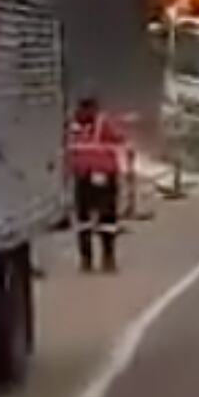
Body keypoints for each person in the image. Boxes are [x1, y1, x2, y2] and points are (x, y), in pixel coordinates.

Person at [65, 96, 127, 273]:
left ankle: (102, 258)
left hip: (96, 175)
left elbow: (119, 139)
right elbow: (119, 138)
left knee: (104, 219)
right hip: (90, 175)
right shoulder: (77, 125)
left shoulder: (91, 124)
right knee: (91, 219)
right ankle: (92, 259)